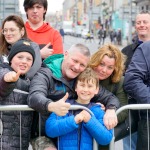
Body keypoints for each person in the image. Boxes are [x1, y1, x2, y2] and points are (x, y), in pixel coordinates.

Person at [28, 43, 119, 149]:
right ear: (66, 54)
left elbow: (110, 97)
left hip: (69, 134)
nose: (77, 67)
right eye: (75, 61)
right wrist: (52, 106)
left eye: (82, 65)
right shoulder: (46, 73)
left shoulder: (82, 76)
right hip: (44, 133)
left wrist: (111, 110)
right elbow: (34, 96)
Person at [45, 67, 113, 150]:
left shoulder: (98, 110)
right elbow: (50, 130)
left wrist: (90, 121)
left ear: (96, 90)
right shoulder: (65, 106)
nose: (85, 89)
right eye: (82, 85)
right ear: (76, 87)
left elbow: (106, 139)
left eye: (90, 86)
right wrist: (74, 120)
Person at [88, 44, 128, 150]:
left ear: (115, 68)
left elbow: (123, 110)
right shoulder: (84, 74)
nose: (104, 70)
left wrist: (107, 112)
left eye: (110, 67)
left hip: (103, 132)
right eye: (101, 64)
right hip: (81, 130)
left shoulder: (119, 82)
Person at [122, 10, 150, 150]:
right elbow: (123, 79)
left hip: (145, 108)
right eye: (139, 22)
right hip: (132, 106)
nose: (142, 25)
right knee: (130, 144)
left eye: (145, 22)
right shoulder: (126, 51)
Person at [0, 39, 35, 150]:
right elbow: (3, 82)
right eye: (20, 57)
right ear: (11, 59)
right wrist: (8, 79)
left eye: (29, 59)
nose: (24, 61)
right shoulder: (4, 71)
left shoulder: (29, 81)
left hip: (21, 143)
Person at [0, 15, 42, 80]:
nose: (8, 33)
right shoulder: (1, 50)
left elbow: (32, 74)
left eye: (12, 30)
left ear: (22, 31)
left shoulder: (32, 47)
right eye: (5, 30)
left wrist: (11, 78)